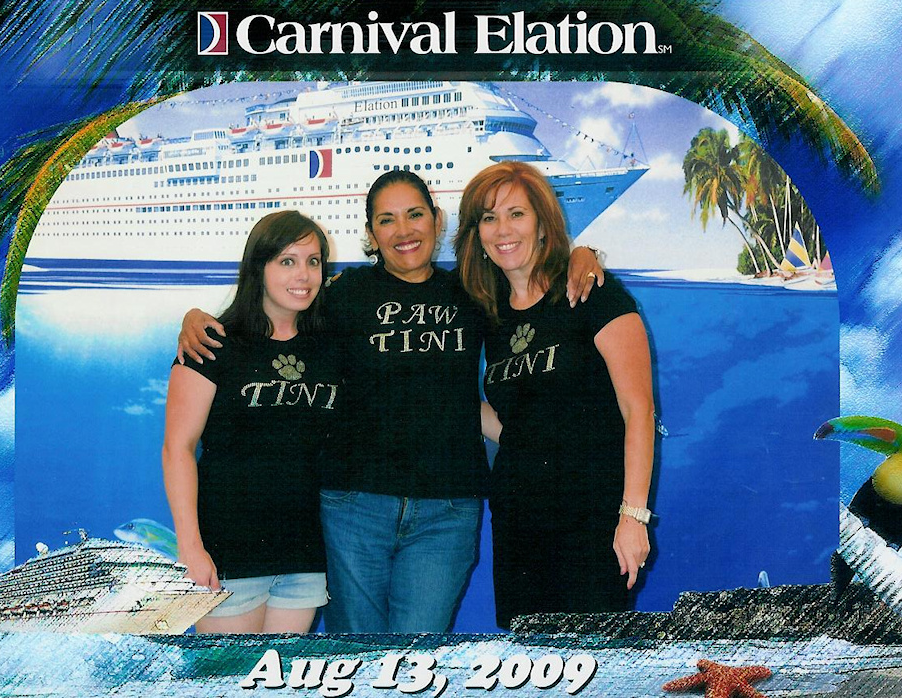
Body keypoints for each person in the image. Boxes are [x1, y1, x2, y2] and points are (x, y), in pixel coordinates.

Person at [178, 170, 605, 633]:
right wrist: (196, 317)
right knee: (354, 655)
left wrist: (583, 255)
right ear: (371, 234)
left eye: (415, 214)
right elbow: (271, 311)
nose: (404, 230)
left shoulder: (475, 292)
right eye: (387, 220)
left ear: (437, 220)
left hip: (447, 511)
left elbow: (535, 286)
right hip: (353, 507)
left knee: (415, 656)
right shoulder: (339, 296)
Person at [454, 161, 655, 629]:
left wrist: (633, 517)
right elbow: (517, 427)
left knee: (591, 664)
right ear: (477, 235)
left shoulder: (589, 293)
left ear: (544, 224)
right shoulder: (491, 318)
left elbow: (638, 411)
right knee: (534, 669)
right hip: (518, 520)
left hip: (592, 519)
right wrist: (448, 399)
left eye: (516, 214)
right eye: (488, 218)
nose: (503, 229)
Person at [162, 211, 338, 634]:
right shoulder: (212, 343)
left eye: (313, 261)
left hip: (303, 556)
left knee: (279, 681)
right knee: (226, 682)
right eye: (287, 261)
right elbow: (177, 448)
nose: (303, 274)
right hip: (228, 554)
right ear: (258, 267)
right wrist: (190, 548)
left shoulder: (330, 347)